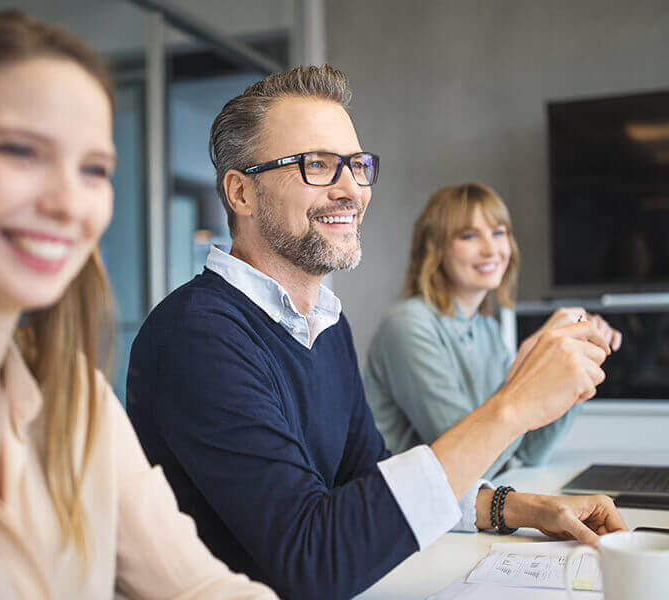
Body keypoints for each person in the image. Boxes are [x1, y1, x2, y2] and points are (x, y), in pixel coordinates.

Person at [127, 65, 626, 600]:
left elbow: (368, 478)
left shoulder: (325, 325)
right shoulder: (194, 337)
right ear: (241, 193)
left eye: (357, 165)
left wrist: (516, 506)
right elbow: (312, 558)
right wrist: (511, 407)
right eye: (316, 164)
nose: (351, 189)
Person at [0, 11, 276, 599]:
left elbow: (199, 588)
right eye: (18, 151)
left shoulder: (74, 399)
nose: (67, 203)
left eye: (93, 169)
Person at [364, 182, 623, 479]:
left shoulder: (486, 328)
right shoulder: (408, 326)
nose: (490, 250)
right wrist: (537, 353)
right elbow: (471, 459)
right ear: (435, 249)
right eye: (469, 236)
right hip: (408, 514)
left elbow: (530, 451)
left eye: (498, 233)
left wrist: (577, 365)